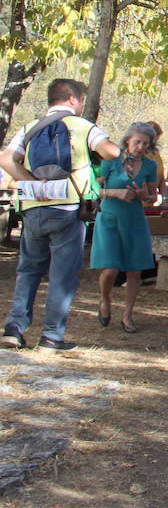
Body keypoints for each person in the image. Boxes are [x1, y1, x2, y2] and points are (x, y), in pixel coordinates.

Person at [1, 80, 121, 352]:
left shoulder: (28, 128)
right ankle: (52, 336)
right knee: (62, 275)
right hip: (68, 207)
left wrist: (31, 181)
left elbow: (6, 159)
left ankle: (14, 328)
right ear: (71, 99)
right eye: (80, 99)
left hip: (33, 206)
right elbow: (110, 151)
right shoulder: (81, 126)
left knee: (29, 270)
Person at [90, 123, 159, 334]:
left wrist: (143, 196)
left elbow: (153, 197)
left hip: (135, 219)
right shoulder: (110, 161)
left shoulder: (149, 166)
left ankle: (127, 315)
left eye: (145, 144)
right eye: (137, 141)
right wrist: (115, 193)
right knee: (110, 268)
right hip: (110, 217)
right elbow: (93, 189)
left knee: (134, 271)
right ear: (127, 140)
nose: (140, 147)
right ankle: (105, 298)